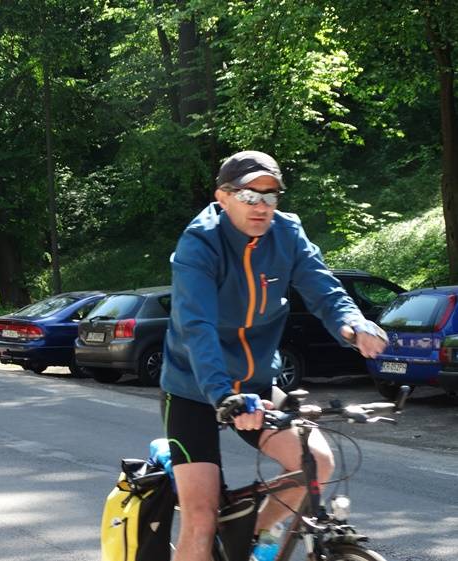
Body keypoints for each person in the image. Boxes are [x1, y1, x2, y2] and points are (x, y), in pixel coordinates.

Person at [159, 150, 387, 561]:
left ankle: (247, 538)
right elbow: (197, 328)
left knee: (316, 463)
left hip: (258, 385)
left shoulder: (287, 233)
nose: (261, 206)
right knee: (201, 518)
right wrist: (224, 396)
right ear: (223, 197)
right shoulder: (200, 243)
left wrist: (354, 325)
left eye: (271, 196)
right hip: (194, 389)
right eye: (250, 195)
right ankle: (215, 536)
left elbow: (325, 290)